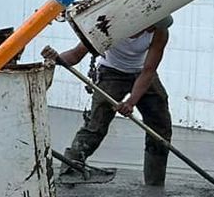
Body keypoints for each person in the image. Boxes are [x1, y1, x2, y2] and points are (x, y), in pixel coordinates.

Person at [42, 17, 174, 185]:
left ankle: (155, 182)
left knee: (160, 127)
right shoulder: (110, 28)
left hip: (143, 75)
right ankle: (70, 169)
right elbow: (75, 55)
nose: (153, 28)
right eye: (152, 24)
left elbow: (148, 71)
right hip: (111, 73)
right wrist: (55, 58)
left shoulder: (160, 33)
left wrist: (131, 102)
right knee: (96, 125)